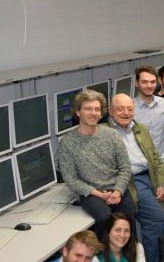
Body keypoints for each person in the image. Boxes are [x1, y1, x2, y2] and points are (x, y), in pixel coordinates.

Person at [107, 93, 164, 262]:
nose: (126, 113)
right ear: (110, 110)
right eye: (120, 109)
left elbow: (155, 158)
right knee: (157, 219)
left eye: (130, 109)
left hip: (150, 176)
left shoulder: (140, 128)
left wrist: (162, 184)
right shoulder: (105, 133)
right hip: (131, 182)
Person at [56, 89, 133, 236]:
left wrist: (118, 191)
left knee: (126, 223)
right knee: (104, 218)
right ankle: (102, 250)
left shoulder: (112, 135)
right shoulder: (67, 142)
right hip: (91, 193)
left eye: (97, 109)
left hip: (117, 189)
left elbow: (125, 168)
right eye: (88, 109)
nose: (94, 113)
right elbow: (71, 179)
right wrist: (99, 194)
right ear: (77, 112)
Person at [133, 66, 164, 183]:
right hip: (142, 169)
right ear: (136, 83)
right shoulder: (130, 108)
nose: (149, 85)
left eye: (152, 82)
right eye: (144, 82)